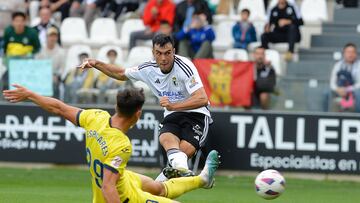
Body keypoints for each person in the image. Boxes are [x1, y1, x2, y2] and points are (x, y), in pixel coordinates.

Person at [3, 85, 220, 203]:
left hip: (122, 179)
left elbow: (60, 108)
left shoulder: (95, 117)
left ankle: (202, 179)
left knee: (158, 187)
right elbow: (108, 187)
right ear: (138, 113)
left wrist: (31, 94)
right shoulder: (121, 145)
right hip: (122, 196)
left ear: (116, 105)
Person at [80, 34, 212, 181]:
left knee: (182, 153)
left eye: (168, 53)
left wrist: (174, 106)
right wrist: (96, 63)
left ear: (174, 51)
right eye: (159, 53)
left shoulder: (185, 67)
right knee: (167, 140)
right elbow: (120, 73)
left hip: (197, 115)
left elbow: (202, 99)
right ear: (153, 53)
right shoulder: (148, 69)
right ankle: (191, 176)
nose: (163, 58)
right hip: (172, 114)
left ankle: (183, 178)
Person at [324, 43, 360, 112]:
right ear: (344, 53)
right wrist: (337, 89)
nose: (350, 54)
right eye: (348, 52)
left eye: (353, 52)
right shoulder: (338, 65)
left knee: (359, 93)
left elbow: (359, 84)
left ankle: (357, 117)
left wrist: (347, 89)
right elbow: (332, 83)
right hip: (339, 90)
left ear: (356, 54)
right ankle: (324, 116)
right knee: (326, 93)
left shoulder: (359, 65)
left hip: (353, 90)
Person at [36, 27, 65, 98]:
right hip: (41, 77)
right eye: (50, 36)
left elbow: (62, 68)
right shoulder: (40, 51)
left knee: (55, 85)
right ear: (46, 37)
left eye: (54, 36)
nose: (52, 38)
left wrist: (56, 75)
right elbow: (36, 66)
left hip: (54, 78)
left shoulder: (61, 52)